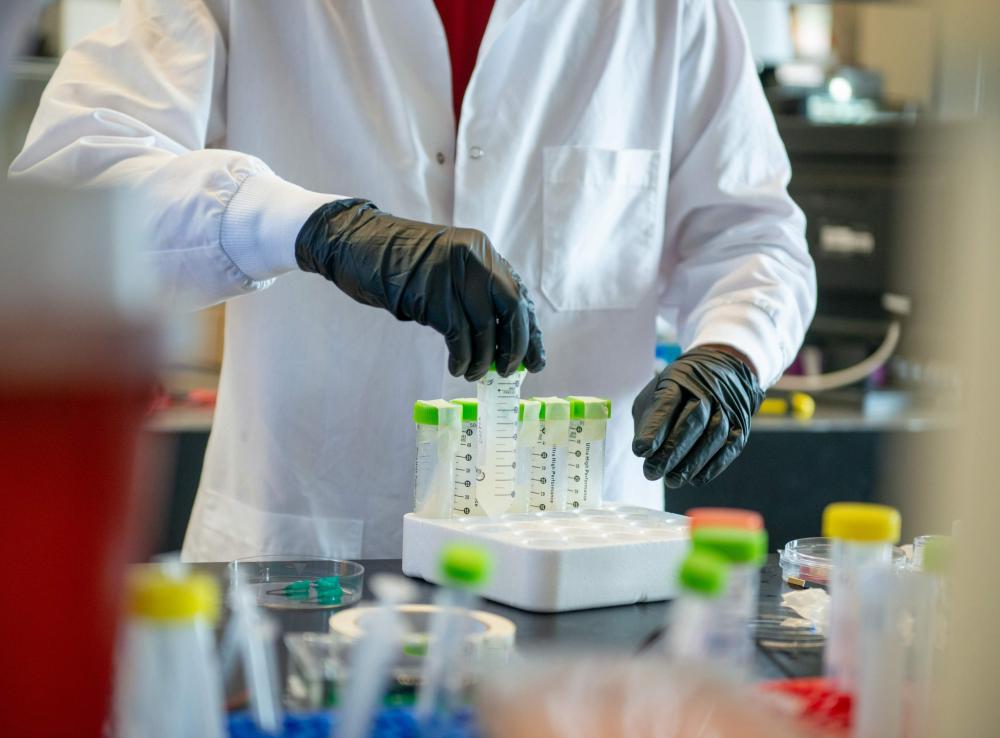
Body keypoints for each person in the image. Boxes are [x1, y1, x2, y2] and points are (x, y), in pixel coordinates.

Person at [10, 0, 815, 560]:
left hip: (582, 553)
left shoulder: (670, 11)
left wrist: (733, 352)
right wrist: (317, 231)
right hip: (310, 556)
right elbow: (80, 181)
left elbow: (752, 234)